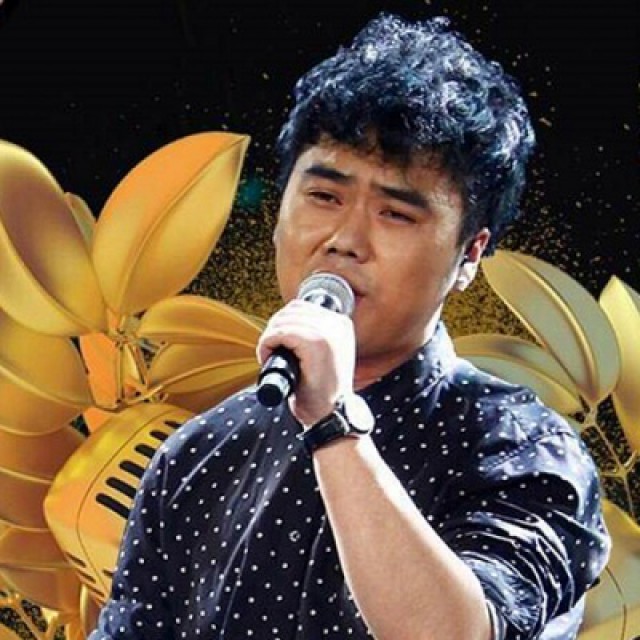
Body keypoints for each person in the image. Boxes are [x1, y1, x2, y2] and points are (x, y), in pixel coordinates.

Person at [89, 12, 610, 640]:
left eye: (396, 214)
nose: (345, 240)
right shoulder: (197, 454)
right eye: (324, 197)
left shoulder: (522, 448)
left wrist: (333, 423)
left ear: (469, 255)